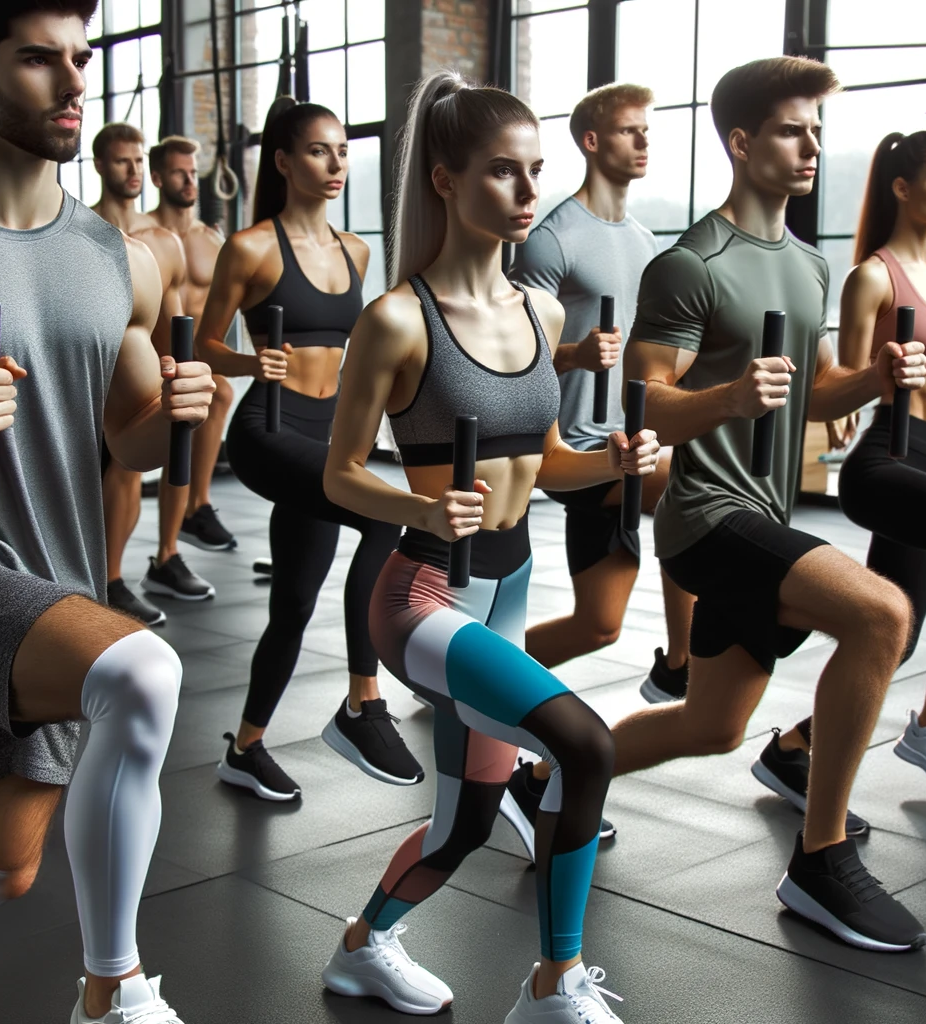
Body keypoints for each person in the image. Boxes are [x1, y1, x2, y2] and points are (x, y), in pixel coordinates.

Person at [319, 69, 659, 1023]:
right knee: (584, 747)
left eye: (534, 172)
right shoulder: (396, 318)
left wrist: (617, 463)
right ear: (444, 179)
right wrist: (420, 510)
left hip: (506, 584)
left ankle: (363, 946)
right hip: (423, 595)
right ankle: (553, 985)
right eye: (503, 173)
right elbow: (339, 472)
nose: (524, 193)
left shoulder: (541, 314)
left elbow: (543, 462)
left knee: (467, 820)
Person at [0, 4, 216, 1021]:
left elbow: (129, 436)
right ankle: (114, 994)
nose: (74, 81)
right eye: (40, 59)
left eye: (81, 57)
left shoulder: (114, 255)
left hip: (44, 568)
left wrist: (184, 415)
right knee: (142, 669)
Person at [611, 55, 926, 953]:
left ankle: (552, 773)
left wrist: (869, 377)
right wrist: (727, 400)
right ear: (743, 142)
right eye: (793, 130)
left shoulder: (808, 265)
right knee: (881, 612)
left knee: (711, 726)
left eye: (817, 131)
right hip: (705, 516)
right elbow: (645, 403)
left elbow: (814, 393)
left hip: (766, 514)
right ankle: (820, 862)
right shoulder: (688, 265)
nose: (812, 146)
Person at [195, 97, 423, 798]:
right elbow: (204, 341)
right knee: (386, 514)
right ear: (284, 162)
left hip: (324, 441)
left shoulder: (357, 250)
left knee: (293, 601)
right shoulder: (252, 246)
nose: (336, 165)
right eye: (320, 151)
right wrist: (243, 364)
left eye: (343, 152)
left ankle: (246, 745)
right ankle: (363, 701)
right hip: (266, 432)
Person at [503, 82, 696, 857]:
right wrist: (576, 353)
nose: (643, 144)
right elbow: (507, 347)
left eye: (648, 131)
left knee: (598, 624)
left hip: (631, 441)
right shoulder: (554, 239)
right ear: (590, 140)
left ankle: (482, 679)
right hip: (580, 448)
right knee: (693, 488)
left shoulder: (646, 242)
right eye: (627, 132)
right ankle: (680, 667)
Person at [752, 129, 926, 808]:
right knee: (893, 623)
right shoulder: (875, 275)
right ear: (902, 188)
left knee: (892, 633)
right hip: (888, 464)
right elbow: (840, 378)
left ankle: (790, 752)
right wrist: (852, 394)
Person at [91, 121, 206, 624]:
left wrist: (176, 381)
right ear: (99, 165)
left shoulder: (162, 243)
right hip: (83, 390)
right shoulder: (81, 232)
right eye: (122, 161)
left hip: (134, 386)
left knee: (130, 471)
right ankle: (99, 581)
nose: (134, 170)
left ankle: (115, 581)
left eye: (139, 161)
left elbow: (172, 331)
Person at [147, 136, 238, 556]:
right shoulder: (142, 236)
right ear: (157, 177)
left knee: (219, 393)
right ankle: (168, 542)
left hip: (197, 360)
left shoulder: (212, 241)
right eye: (179, 172)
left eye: (192, 173)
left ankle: (196, 505)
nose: (190, 180)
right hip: (151, 361)